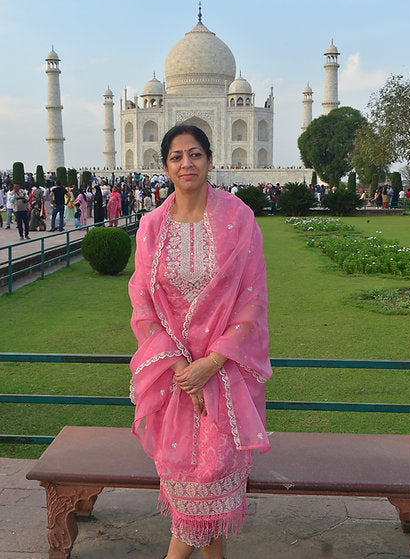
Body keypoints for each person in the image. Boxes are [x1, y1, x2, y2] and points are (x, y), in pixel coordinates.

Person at [128, 124, 272, 559]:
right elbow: (142, 305)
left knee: (208, 481)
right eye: (176, 156)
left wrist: (210, 363)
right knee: (194, 493)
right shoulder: (152, 226)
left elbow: (252, 302)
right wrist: (179, 368)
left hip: (225, 375)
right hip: (173, 380)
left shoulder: (238, 219)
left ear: (210, 160)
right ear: (166, 167)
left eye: (195, 154)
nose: (186, 163)